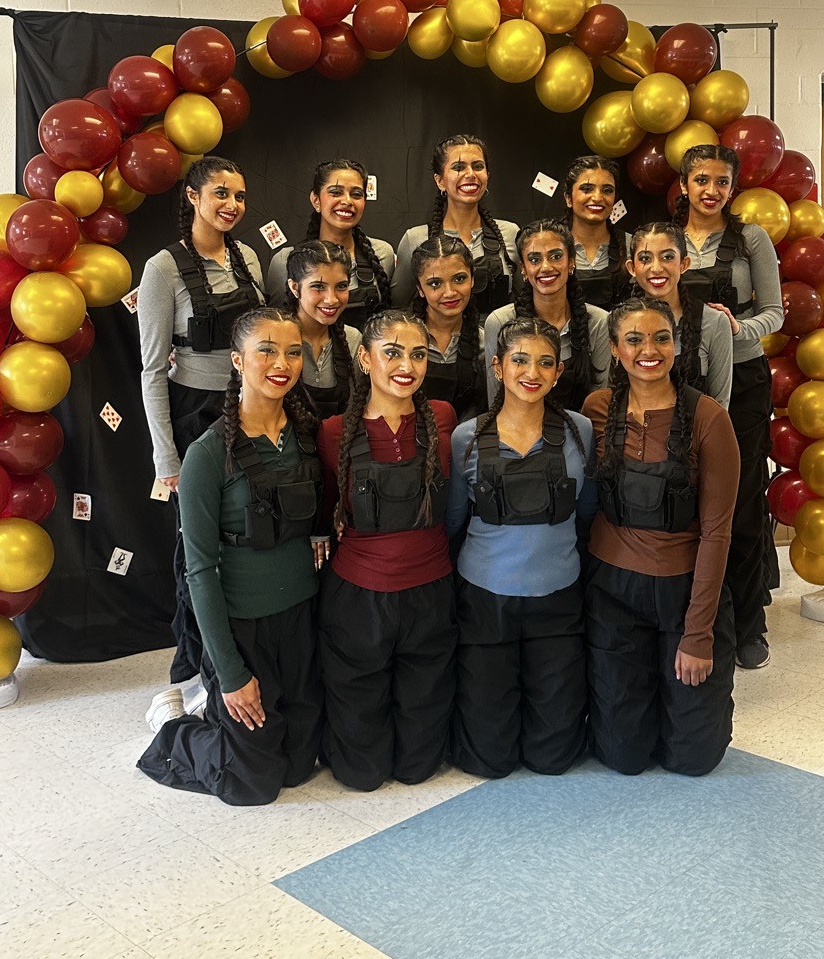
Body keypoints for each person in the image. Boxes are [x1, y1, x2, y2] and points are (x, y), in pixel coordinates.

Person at [137, 307, 328, 806]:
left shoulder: (308, 439)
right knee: (252, 784)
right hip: (242, 628)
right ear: (238, 361)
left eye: (291, 351)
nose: (280, 362)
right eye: (265, 350)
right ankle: (176, 727)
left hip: (300, 621)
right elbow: (197, 571)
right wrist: (230, 673)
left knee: (299, 768)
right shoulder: (206, 454)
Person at [583, 297, 740, 777]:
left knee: (693, 759)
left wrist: (697, 636)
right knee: (623, 757)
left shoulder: (709, 418)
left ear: (677, 345)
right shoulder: (595, 410)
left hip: (684, 590)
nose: (648, 350)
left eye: (661, 338)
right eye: (633, 339)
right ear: (614, 348)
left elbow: (717, 534)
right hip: (613, 592)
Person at [137, 156, 264, 727]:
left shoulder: (250, 260)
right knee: (197, 554)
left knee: (243, 544)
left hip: (248, 412)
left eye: (238, 195)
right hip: (193, 419)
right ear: (192, 196)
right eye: (220, 194)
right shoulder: (163, 269)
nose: (231, 205)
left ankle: (234, 665)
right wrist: (167, 457)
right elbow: (151, 372)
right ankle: (186, 675)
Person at [445, 317, 594, 779]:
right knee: (489, 760)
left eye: (545, 363)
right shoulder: (465, 438)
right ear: (497, 366)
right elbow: (454, 518)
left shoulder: (580, 431)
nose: (533, 372)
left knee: (554, 759)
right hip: (486, 598)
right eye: (521, 360)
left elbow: (586, 511)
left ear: (558, 373)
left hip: (558, 599)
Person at [316, 310, 457, 792]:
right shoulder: (335, 432)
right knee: (361, 775)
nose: (407, 364)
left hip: (431, 593)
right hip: (359, 596)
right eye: (392, 352)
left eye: (418, 353)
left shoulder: (441, 418)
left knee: (419, 767)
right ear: (364, 358)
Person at [673, 144, 783, 671]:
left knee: (739, 502)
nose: (710, 190)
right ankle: (698, 619)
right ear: (684, 184)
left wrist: (739, 329)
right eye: (701, 179)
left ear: (732, 188)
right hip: (681, 379)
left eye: (721, 181)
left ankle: (748, 626)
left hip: (743, 378)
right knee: (688, 497)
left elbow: (775, 312)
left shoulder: (751, 240)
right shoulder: (664, 241)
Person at [484, 219, 611, 410]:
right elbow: (496, 405)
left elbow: (598, 405)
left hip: (582, 435)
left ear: (571, 262)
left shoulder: (599, 322)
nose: (545, 267)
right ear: (524, 269)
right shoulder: (500, 321)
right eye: (535, 259)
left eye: (556, 256)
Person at [391, 134, 518, 316]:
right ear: (440, 180)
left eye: (478, 166)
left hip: (497, 342)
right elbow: (397, 307)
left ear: (487, 176)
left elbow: (526, 301)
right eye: (459, 167)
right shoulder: (416, 239)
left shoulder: (509, 235)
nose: (470, 174)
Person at [267, 159, 393, 330]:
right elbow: (275, 327)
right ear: (316, 200)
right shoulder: (284, 261)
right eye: (335, 192)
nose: (347, 201)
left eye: (356, 194)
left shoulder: (382, 254)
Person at [627, 221, 733, 408]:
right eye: (645, 258)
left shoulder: (715, 322)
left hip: (697, 433)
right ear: (632, 268)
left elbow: (720, 406)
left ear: (684, 264)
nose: (657, 268)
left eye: (667, 257)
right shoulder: (618, 323)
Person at [409, 235, 487, 423]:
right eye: (435, 283)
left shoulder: (484, 342)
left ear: (472, 280)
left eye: (459, 279)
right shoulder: (398, 339)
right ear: (420, 289)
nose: (450, 292)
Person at [285, 240, 361, 419]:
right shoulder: (274, 339)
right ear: (295, 287)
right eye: (318, 287)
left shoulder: (353, 339)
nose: (331, 299)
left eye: (341, 286)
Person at [561, 154, 632, 310]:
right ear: (568, 198)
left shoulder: (632, 245)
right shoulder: (550, 247)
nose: (598, 197)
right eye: (587, 189)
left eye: (607, 190)